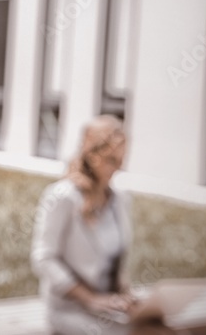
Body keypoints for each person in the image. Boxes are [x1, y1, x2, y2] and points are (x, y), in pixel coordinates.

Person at [31, 115, 136, 335]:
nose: (118, 168)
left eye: (121, 160)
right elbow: (44, 258)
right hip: (70, 310)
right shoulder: (62, 197)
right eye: (111, 160)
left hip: (108, 307)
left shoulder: (120, 200)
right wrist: (91, 299)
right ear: (92, 155)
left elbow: (115, 261)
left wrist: (125, 293)